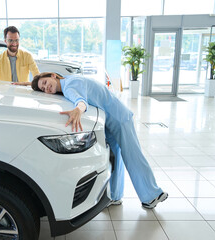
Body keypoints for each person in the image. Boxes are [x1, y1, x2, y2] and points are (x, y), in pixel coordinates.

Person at [31, 72, 168, 209]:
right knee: (115, 160)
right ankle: (114, 196)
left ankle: (151, 195)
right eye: (43, 89)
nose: (46, 88)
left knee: (133, 157)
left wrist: (78, 110)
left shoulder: (70, 86)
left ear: (53, 75)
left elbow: (81, 101)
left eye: (45, 83)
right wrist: (24, 84)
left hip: (120, 119)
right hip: (111, 122)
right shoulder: (70, 78)